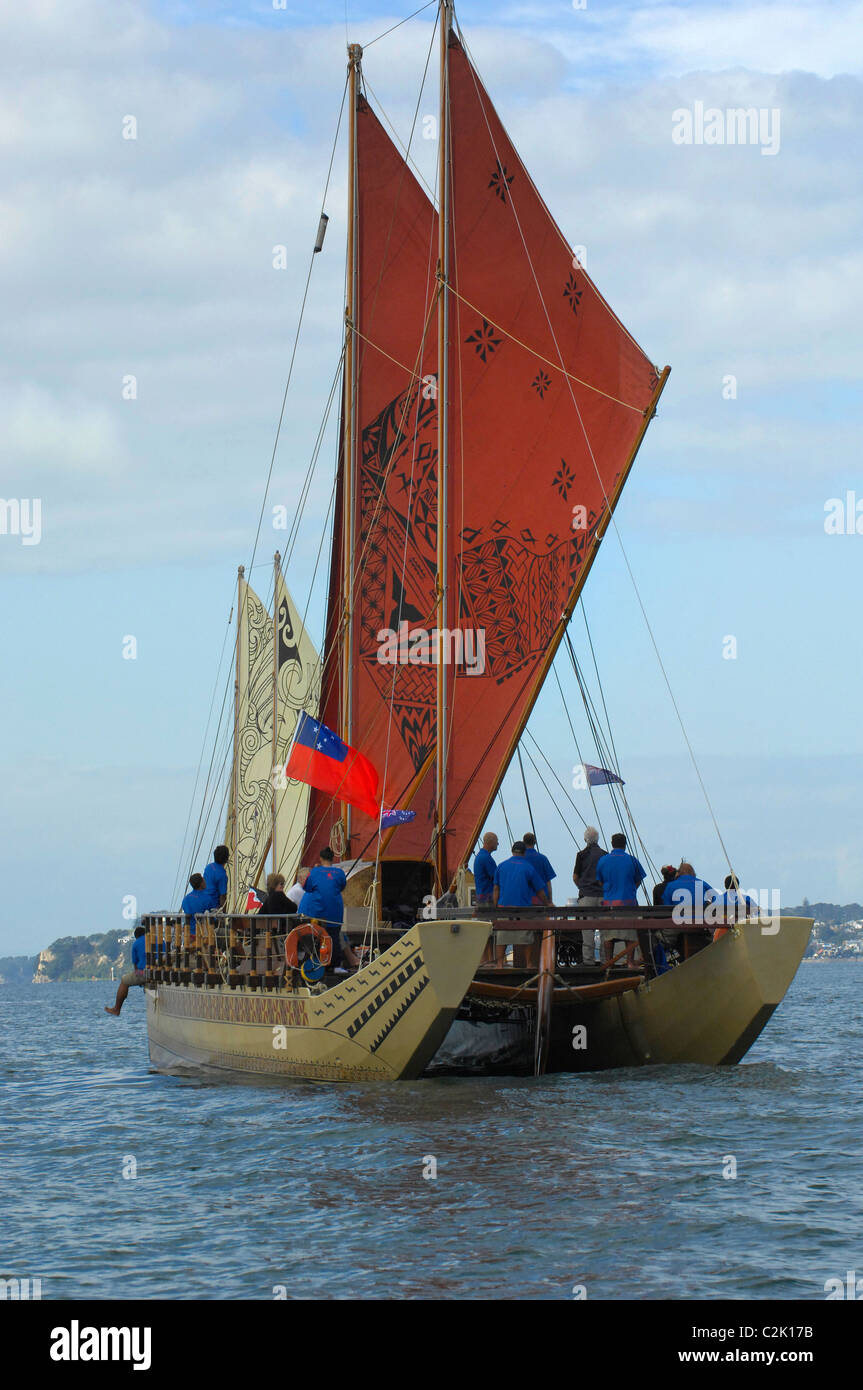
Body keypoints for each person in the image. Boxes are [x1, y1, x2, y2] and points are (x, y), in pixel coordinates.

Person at [299, 847, 359, 972]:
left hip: (318, 913)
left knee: (316, 938)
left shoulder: (314, 872)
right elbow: (342, 886)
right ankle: (335, 966)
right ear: (333, 858)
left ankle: (316, 964)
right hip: (335, 912)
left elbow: (307, 887)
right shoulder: (339, 873)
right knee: (334, 938)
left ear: (320, 859)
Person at [492, 841, 549, 968]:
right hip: (522, 908)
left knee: (502, 936)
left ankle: (500, 964)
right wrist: (547, 903)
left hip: (503, 908)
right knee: (526, 936)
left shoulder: (501, 866)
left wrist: (495, 908)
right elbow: (540, 890)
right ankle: (529, 964)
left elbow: (496, 889)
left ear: (512, 851)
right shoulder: (528, 867)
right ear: (524, 853)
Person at [596, 833, 646, 967]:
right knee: (630, 935)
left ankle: (609, 962)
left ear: (612, 844)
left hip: (609, 903)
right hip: (628, 902)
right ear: (625, 844)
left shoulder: (603, 861)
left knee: (608, 936)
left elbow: (599, 881)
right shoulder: (632, 860)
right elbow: (639, 879)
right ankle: (630, 962)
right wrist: (631, 889)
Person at [662, 862, 716, 957]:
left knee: (659, 940)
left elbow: (666, 909)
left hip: (677, 927)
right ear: (693, 873)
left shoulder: (670, 886)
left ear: (679, 873)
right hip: (700, 925)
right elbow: (717, 899)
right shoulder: (701, 883)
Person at [573, 826, 605, 965]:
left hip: (586, 896)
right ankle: (606, 959)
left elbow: (575, 877)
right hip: (603, 896)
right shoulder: (605, 854)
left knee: (587, 930)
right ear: (598, 839)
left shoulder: (581, 855)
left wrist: (583, 887)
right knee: (605, 930)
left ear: (585, 839)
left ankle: (588, 960)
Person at [104, 925, 147, 1017]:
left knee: (124, 981)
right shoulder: (159, 940)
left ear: (136, 936)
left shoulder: (136, 943)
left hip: (145, 972)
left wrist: (140, 978)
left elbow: (135, 965)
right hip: (160, 969)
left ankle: (116, 1009)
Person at [473, 831, 498, 965]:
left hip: (481, 898)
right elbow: (496, 877)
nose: (498, 843)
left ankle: (487, 959)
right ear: (490, 842)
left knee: (485, 930)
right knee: (490, 930)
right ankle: (488, 959)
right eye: (496, 841)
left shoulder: (480, 856)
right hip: (487, 899)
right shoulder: (486, 858)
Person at [523, 832, 556, 904]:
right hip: (541, 900)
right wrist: (550, 901)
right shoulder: (543, 858)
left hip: (524, 901)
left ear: (523, 842)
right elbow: (548, 882)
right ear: (535, 842)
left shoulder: (521, 859)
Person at [181, 872, 211, 938]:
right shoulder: (207, 898)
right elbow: (212, 917)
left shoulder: (186, 899)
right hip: (203, 934)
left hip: (188, 935)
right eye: (203, 879)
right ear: (201, 884)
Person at [203, 845, 229, 911]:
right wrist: (223, 914)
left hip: (203, 903)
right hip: (213, 906)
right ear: (226, 858)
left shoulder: (208, 867)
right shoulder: (222, 875)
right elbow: (222, 896)